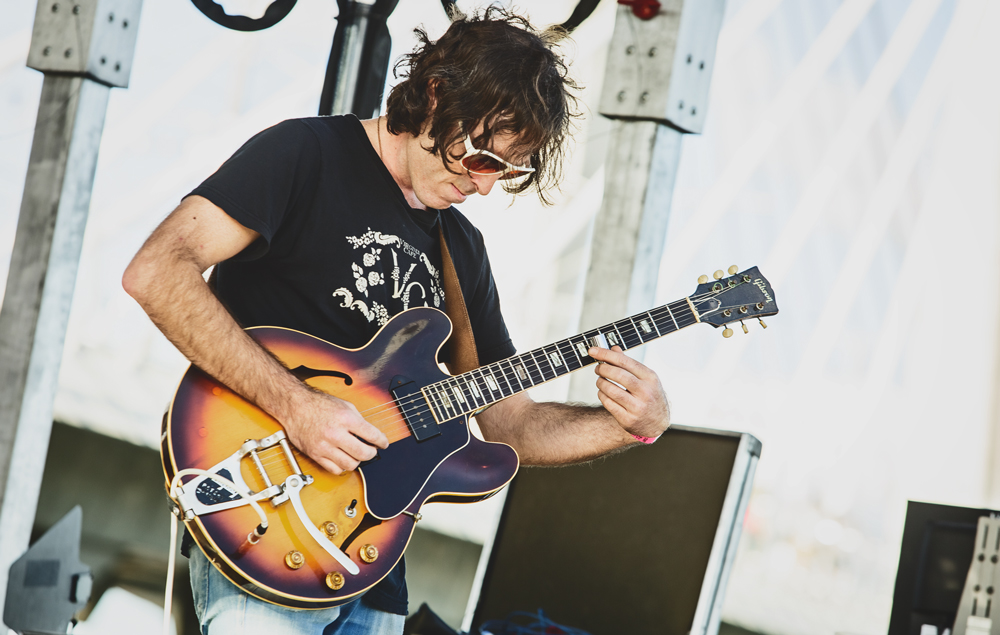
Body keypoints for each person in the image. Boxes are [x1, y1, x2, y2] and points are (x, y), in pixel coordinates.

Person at [123, 7, 669, 635]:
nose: (486, 186)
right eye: (485, 157)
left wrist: (632, 428)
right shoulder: (305, 154)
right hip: (270, 522)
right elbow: (157, 271)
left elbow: (510, 424)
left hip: (375, 567)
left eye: (507, 171)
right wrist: (298, 406)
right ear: (437, 95)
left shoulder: (461, 251)